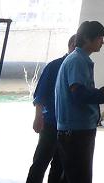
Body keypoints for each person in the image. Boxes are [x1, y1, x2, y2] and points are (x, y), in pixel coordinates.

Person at [55, 21, 104, 183]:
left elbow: (83, 92)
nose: (102, 42)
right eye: (99, 38)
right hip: (76, 131)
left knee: (70, 177)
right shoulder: (77, 60)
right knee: (79, 178)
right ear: (86, 38)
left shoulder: (78, 59)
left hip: (75, 130)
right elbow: (80, 94)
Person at [26, 35, 75, 183]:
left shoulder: (78, 67)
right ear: (72, 44)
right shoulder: (55, 66)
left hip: (68, 125)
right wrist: (38, 117)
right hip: (51, 122)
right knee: (41, 161)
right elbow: (41, 94)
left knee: (59, 165)